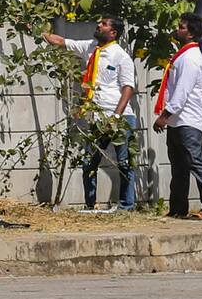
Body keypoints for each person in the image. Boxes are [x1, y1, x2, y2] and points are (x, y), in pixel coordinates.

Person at [42, 17, 137, 210]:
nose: (99, 25)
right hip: (96, 116)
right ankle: (90, 205)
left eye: (104, 24)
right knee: (89, 162)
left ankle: (126, 206)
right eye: (99, 22)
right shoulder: (90, 47)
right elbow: (61, 42)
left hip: (119, 117)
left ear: (113, 33)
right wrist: (39, 33)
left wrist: (116, 117)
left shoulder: (121, 56)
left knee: (124, 162)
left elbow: (128, 88)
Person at [153, 12, 202, 220]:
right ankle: (177, 208)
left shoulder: (190, 58)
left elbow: (182, 91)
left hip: (187, 119)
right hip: (177, 121)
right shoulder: (183, 55)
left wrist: (164, 115)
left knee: (196, 162)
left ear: (190, 34)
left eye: (181, 27)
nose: (177, 30)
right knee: (179, 167)